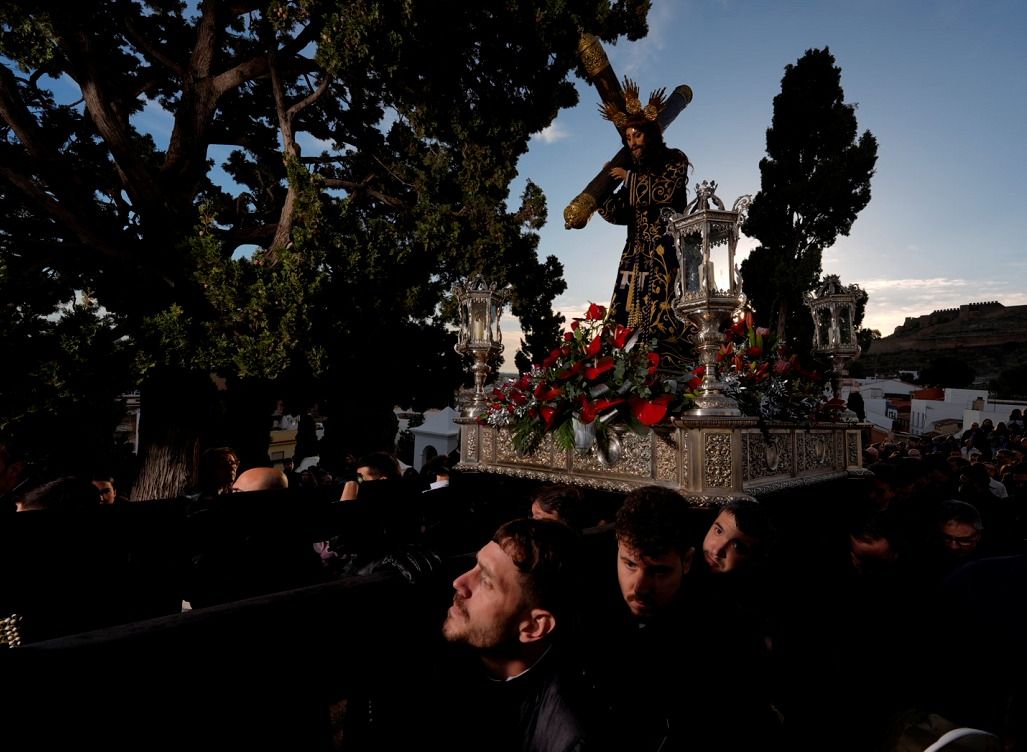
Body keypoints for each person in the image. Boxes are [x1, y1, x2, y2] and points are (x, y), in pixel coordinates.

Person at [591, 485, 780, 751]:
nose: (640, 587)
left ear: (687, 562)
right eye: (630, 564)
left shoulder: (725, 636)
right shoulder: (589, 597)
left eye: (659, 572)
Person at [436, 518, 605, 752]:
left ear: (535, 627)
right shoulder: (447, 658)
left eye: (486, 581)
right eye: (475, 564)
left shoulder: (567, 738)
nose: (459, 583)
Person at [599, 78, 692, 373]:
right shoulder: (633, 171)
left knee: (663, 313)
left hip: (664, 251)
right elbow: (620, 214)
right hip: (634, 253)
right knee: (625, 314)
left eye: (637, 136)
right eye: (627, 138)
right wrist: (600, 195)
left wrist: (629, 179)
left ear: (650, 134)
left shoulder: (674, 159)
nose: (632, 143)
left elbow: (665, 192)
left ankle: (664, 356)